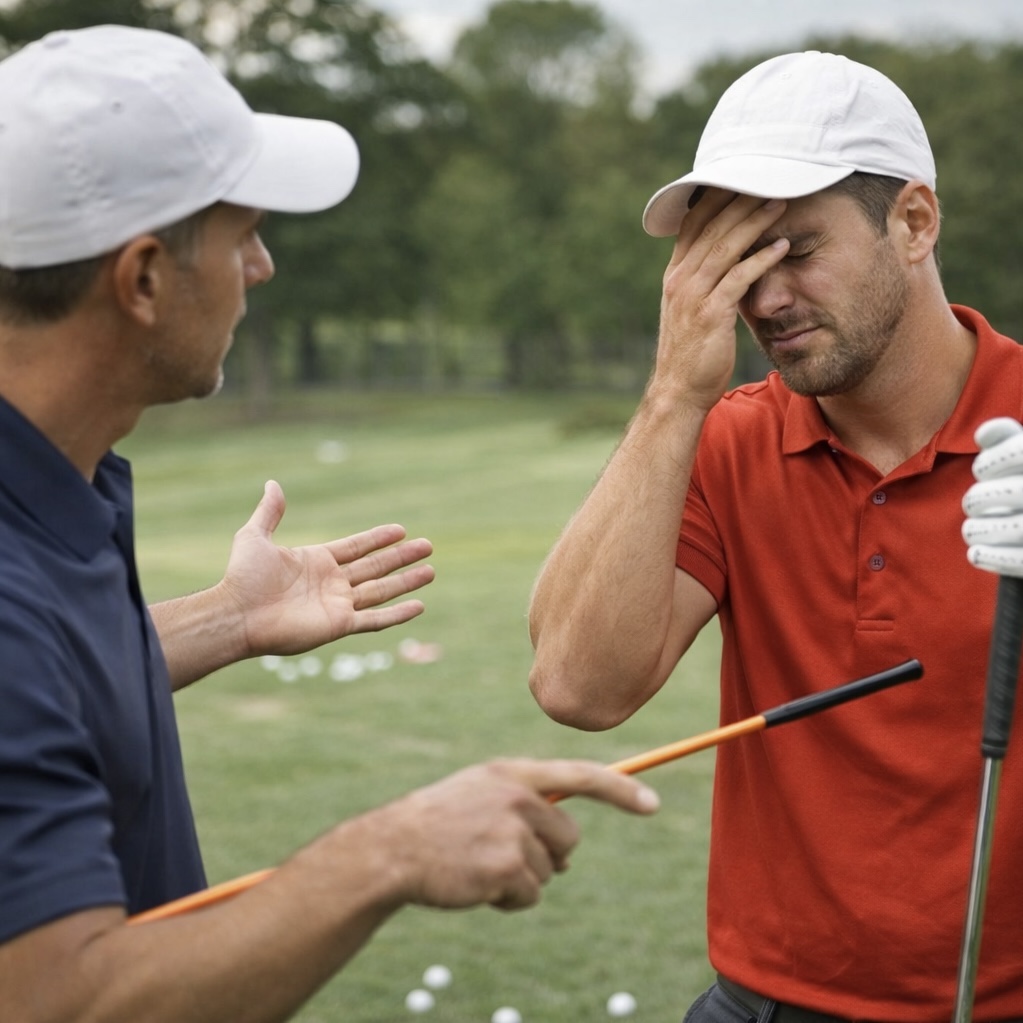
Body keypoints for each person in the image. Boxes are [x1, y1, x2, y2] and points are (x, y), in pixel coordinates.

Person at [0, 24, 660, 1023]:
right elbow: (59, 1002)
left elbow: (47, 681)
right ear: (141, 280)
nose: (261, 267)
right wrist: (389, 850)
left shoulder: (56, 491)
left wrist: (228, 619)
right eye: (243, 234)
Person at [527, 49, 1023, 1023]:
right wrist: (676, 392)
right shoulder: (729, 438)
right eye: (731, 263)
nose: (761, 298)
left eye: (794, 249)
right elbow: (578, 688)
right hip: (763, 1004)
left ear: (914, 222)